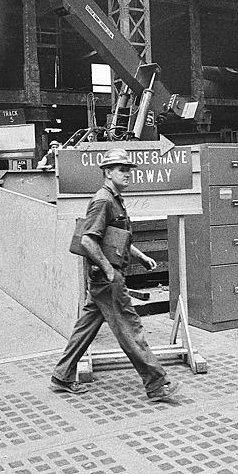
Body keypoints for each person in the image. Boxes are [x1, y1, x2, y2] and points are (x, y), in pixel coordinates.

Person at [50, 148, 182, 403]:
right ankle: (157, 384)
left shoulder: (113, 199)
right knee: (130, 328)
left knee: (86, 327)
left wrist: (140, 256)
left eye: (128, 170)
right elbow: (89, 241)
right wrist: (111, 271)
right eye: (122, 170)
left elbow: (115, 239)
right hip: (108, 279)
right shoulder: (104, 201)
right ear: (107, 173)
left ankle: (62, 376)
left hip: (103, 278)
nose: (128, 174)